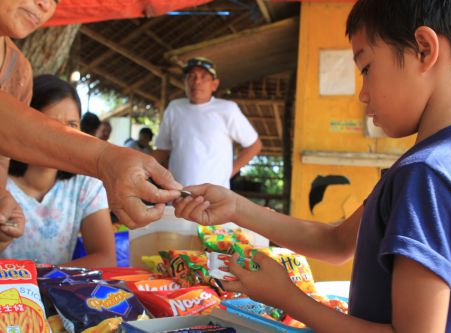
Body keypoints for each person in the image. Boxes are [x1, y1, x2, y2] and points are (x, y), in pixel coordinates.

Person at [173, 1, 451, 332]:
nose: (363, 93)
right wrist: (235, 207)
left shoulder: (428, 173)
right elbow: (337, 241)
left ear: (424, 49)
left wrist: (289, 298)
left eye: (367, 68)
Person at [0, 0, 182, 234]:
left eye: (56, 0)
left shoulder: (20, 71)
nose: (45, 5)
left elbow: (3, 154)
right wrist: (104, 159)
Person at [1, 75, 116, 268]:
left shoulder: (87, 186)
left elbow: (105, 258)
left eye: (72, 125)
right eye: (49, 125)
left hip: (57, 295)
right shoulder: (3, 186)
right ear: (21, 127)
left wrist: (38, 278)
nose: (64, 137)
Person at [153, 57, 262, 189]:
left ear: (214, 84)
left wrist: (228, 173)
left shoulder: (227, 109)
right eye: (191, 76)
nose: (197, 81)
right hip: (177, 194)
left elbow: (254, 145)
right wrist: (141, 168)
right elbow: (163, 150)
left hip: (215, 197)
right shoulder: (174, 108)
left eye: (203, 77)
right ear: (185, 82)